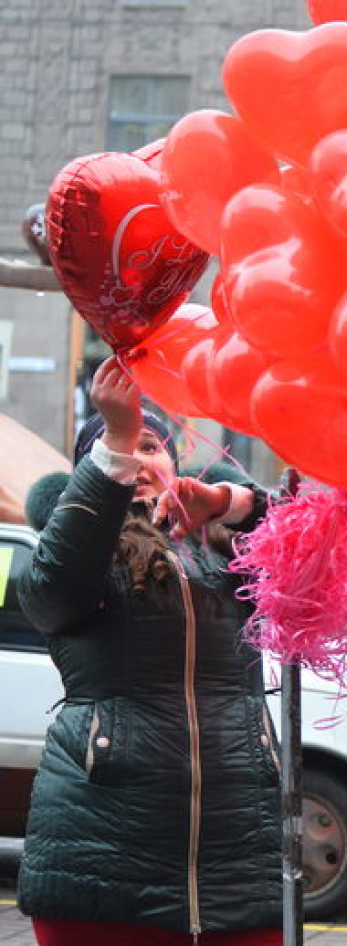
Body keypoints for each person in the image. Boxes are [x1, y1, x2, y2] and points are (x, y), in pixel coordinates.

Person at [15, 357, 280, 946]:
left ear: (175, 465)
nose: (139, 457)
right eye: (119, 450)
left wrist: (227, 499)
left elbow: (313, 540)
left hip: (236, 870)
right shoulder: (77, 554)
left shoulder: (229, 560)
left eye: (151, 445)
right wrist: (114, 435)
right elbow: (52, 595)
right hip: (100, 867)